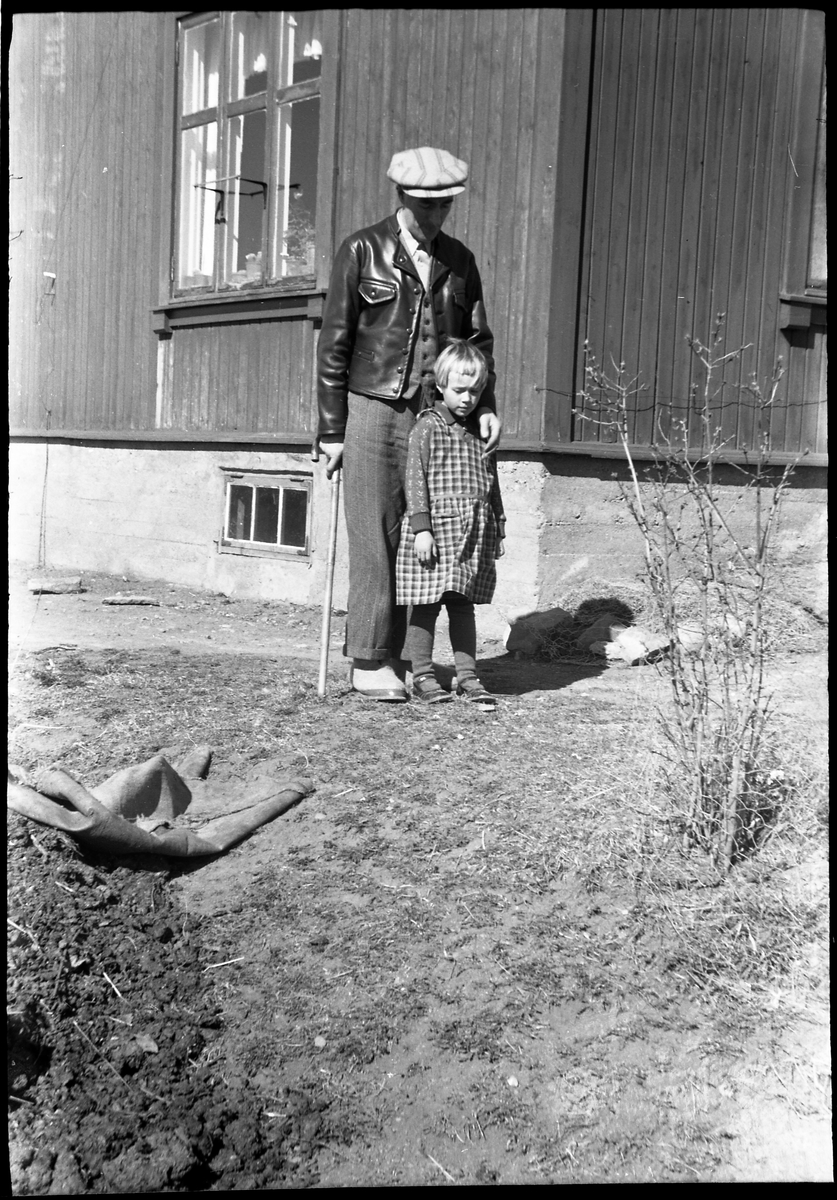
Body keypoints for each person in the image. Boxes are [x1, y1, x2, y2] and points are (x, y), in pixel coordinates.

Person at [314, 146, 502, 702]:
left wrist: (485, 402)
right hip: (371, 408)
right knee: (375, 532)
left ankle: (403, 657)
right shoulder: (361, 249)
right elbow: (334, 344)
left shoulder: (460, 260)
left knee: (420, 536)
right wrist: (331, 429)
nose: (436, 214)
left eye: (444, 204)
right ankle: (369, 660)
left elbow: (476, 342)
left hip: (436, 412)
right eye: (426, 203)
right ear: (402, 197)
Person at [395, 341, 505, 710]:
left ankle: (468, 674)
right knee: (426, 604)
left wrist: (499, 527)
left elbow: (492, 481)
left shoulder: (481, 433)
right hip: (436, 531)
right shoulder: (429, 426)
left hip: (473, 533)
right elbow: (415, 478)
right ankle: (423, 673)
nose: (468, 399)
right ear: (441, 386)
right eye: (459, 390)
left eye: (475, 391)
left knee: (462, 605)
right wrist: (421, 528)